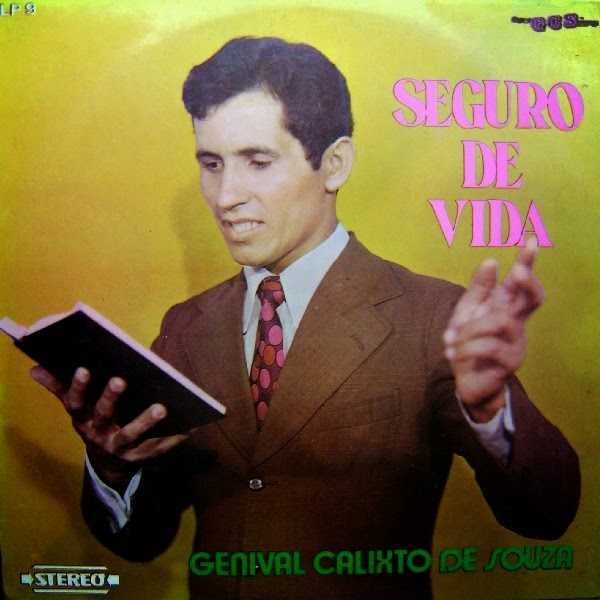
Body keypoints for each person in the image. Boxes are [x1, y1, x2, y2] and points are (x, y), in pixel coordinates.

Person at [30, 37, 579, 600]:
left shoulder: (435, 317)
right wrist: (112, 470)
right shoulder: (186, 327)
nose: (225, 196)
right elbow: (140, 541)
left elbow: (548, 514)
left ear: (334, 164)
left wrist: (491, 413)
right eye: (212, 164)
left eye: (258, 162)